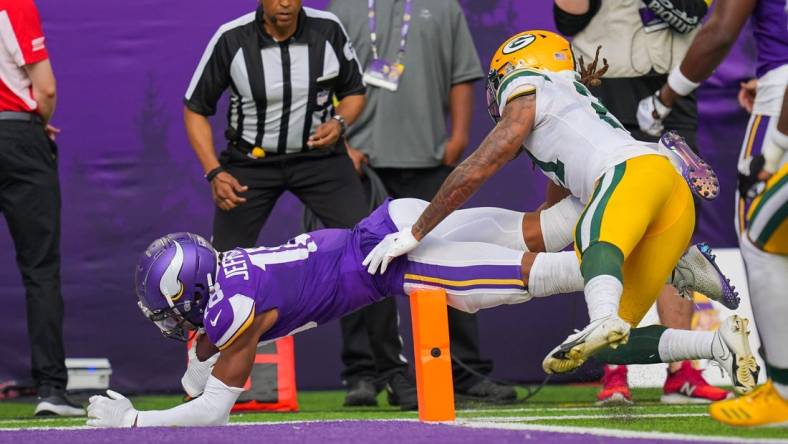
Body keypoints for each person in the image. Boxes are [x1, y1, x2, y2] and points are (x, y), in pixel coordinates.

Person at [85, 193, 751, 427]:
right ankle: (642, 221)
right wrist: (196, 361)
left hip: (394, 261)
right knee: (534, 230)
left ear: (191, 296)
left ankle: (659, 253)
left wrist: (136, 419)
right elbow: (200, 364)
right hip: (391, 222)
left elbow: (209, 407)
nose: (170, 323)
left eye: (168, 311)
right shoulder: (230, 288)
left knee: (539, 275)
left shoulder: (232, 313)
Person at [363, 30, 759, 389]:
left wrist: (416, 231)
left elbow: (484, 162)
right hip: (665, 203)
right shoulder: (571, 110)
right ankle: (716, 341)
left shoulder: (530, 84)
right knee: (605, 348)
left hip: (633, 174)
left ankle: (607, 313)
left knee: (593, 251)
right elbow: (545, 226)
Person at [325, 0, 512, 406]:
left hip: (428, 158)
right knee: (357, 268)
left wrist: (459, 136)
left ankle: (464, 371)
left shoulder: (443, 7)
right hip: (361, 160)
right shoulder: (341, 8)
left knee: (450, 262)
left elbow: (463, 75)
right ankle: (364, 375)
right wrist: (343, 144)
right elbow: (324, 85)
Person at [553, 0, 725, 405]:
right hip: (605, 83)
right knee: (614, 225)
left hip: (672, 84)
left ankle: (682, 372)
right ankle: (615, 367)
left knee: (675, 229)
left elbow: (696, 11)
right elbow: (568, 16)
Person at [637, 0, 788, 427]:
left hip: (782, 98)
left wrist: (665, 98)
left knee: (763, 240)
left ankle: (782, 391)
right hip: (778, 86)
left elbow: (720, 30)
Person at [184, 0, 369, 277]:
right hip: (251, 163)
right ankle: (223, 319)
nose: (285, 2)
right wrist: (214, 172)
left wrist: (339, 121)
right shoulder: (232, 38)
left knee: (367, 247)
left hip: (320, 159)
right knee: (224, 265)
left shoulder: (327, 29)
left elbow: (355, 90)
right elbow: (195, 108)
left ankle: (377, 321)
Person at [0, 0, 84, 416]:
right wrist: (34, 120)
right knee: (40, 271)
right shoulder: (14, 4)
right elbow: (45, 88)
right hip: (19, 140)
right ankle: (50, 391)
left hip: (16, 130)